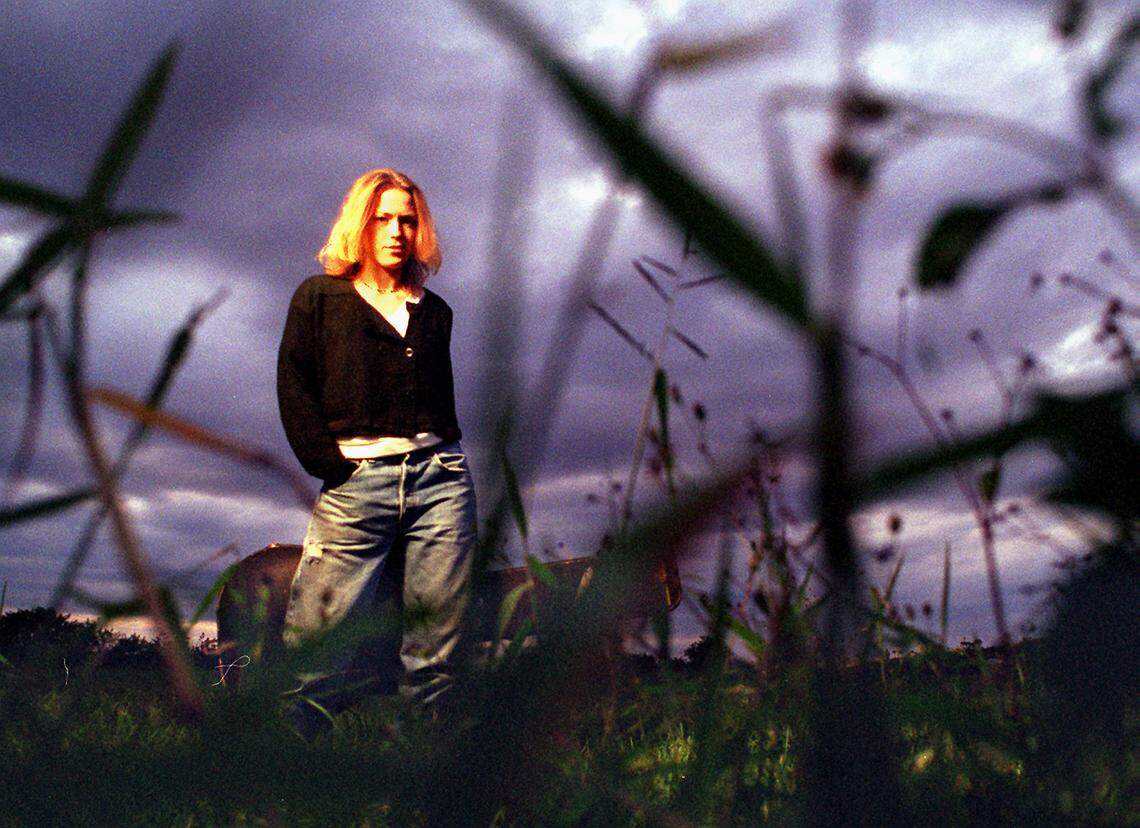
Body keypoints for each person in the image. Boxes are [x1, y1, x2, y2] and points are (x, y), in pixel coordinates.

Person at [276, 168, 476, 733]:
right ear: (360, 225)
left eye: (407, 220)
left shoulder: (436, 312)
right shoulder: (318, 298)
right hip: (355, 483)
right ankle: (280, 787)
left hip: (442, 480)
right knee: (315, 649)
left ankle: (425, 785)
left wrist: (443, 461)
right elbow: (293, 383)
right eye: (381, 218)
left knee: (437, 654)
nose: (395, 231)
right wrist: (331, 466)